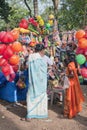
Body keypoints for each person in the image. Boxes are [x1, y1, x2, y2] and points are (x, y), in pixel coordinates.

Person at [21, 44, 48, 121]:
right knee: (40, 97)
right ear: (42, 50)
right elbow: (44, 69)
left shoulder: (31, 57)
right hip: (41, 82)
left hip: (33, 81)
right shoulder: (42, 58)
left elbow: (25, 66)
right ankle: (40, 113)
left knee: (31, 97)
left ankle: (30, 115)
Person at [64, 55, 85, 119]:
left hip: (71, 83)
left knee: (69, 97)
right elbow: (79, 73)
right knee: (75, 97)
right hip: (75, 83)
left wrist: (66, 75)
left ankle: (69, 112)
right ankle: (74, 111)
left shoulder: (70, 65)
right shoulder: (76, 64)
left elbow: (71, 75)